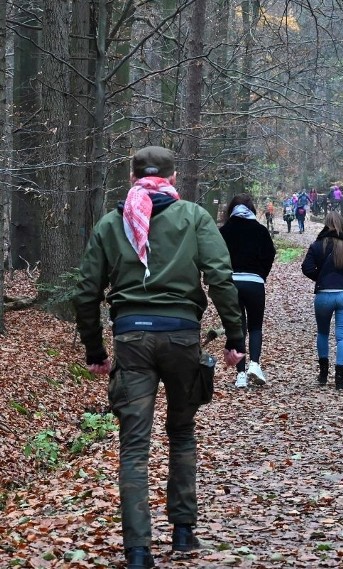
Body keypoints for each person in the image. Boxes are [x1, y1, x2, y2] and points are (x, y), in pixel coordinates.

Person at [72, 146, 245, 569]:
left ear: (131, 176)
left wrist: (96, 350)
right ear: (174, 174)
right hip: (182, 336)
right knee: (182, 432)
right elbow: (220, 278)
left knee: (134, 446)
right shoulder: (194, 217)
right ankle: (184, 532)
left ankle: (137, 551)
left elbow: (86, 293)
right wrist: (236, 338)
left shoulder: (113, 223)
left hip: (132, 337)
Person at [301, 211, 343, 389]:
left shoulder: (317, 245)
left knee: (323, 333)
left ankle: (323, 373)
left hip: (324, 294)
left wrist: (320, 278)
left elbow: (306, 267)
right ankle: (340, 375)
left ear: (326, 223)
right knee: (342, 336)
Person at [219, 194, 276, 388]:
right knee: (255, 327)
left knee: (238, 328)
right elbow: (270, 254)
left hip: (232, 283)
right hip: (254, 283)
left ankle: (241, 375)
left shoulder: (224, 231)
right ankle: (255, 364)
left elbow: (216, 255)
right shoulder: (260, 230)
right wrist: (261, 274)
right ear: (251, 208)